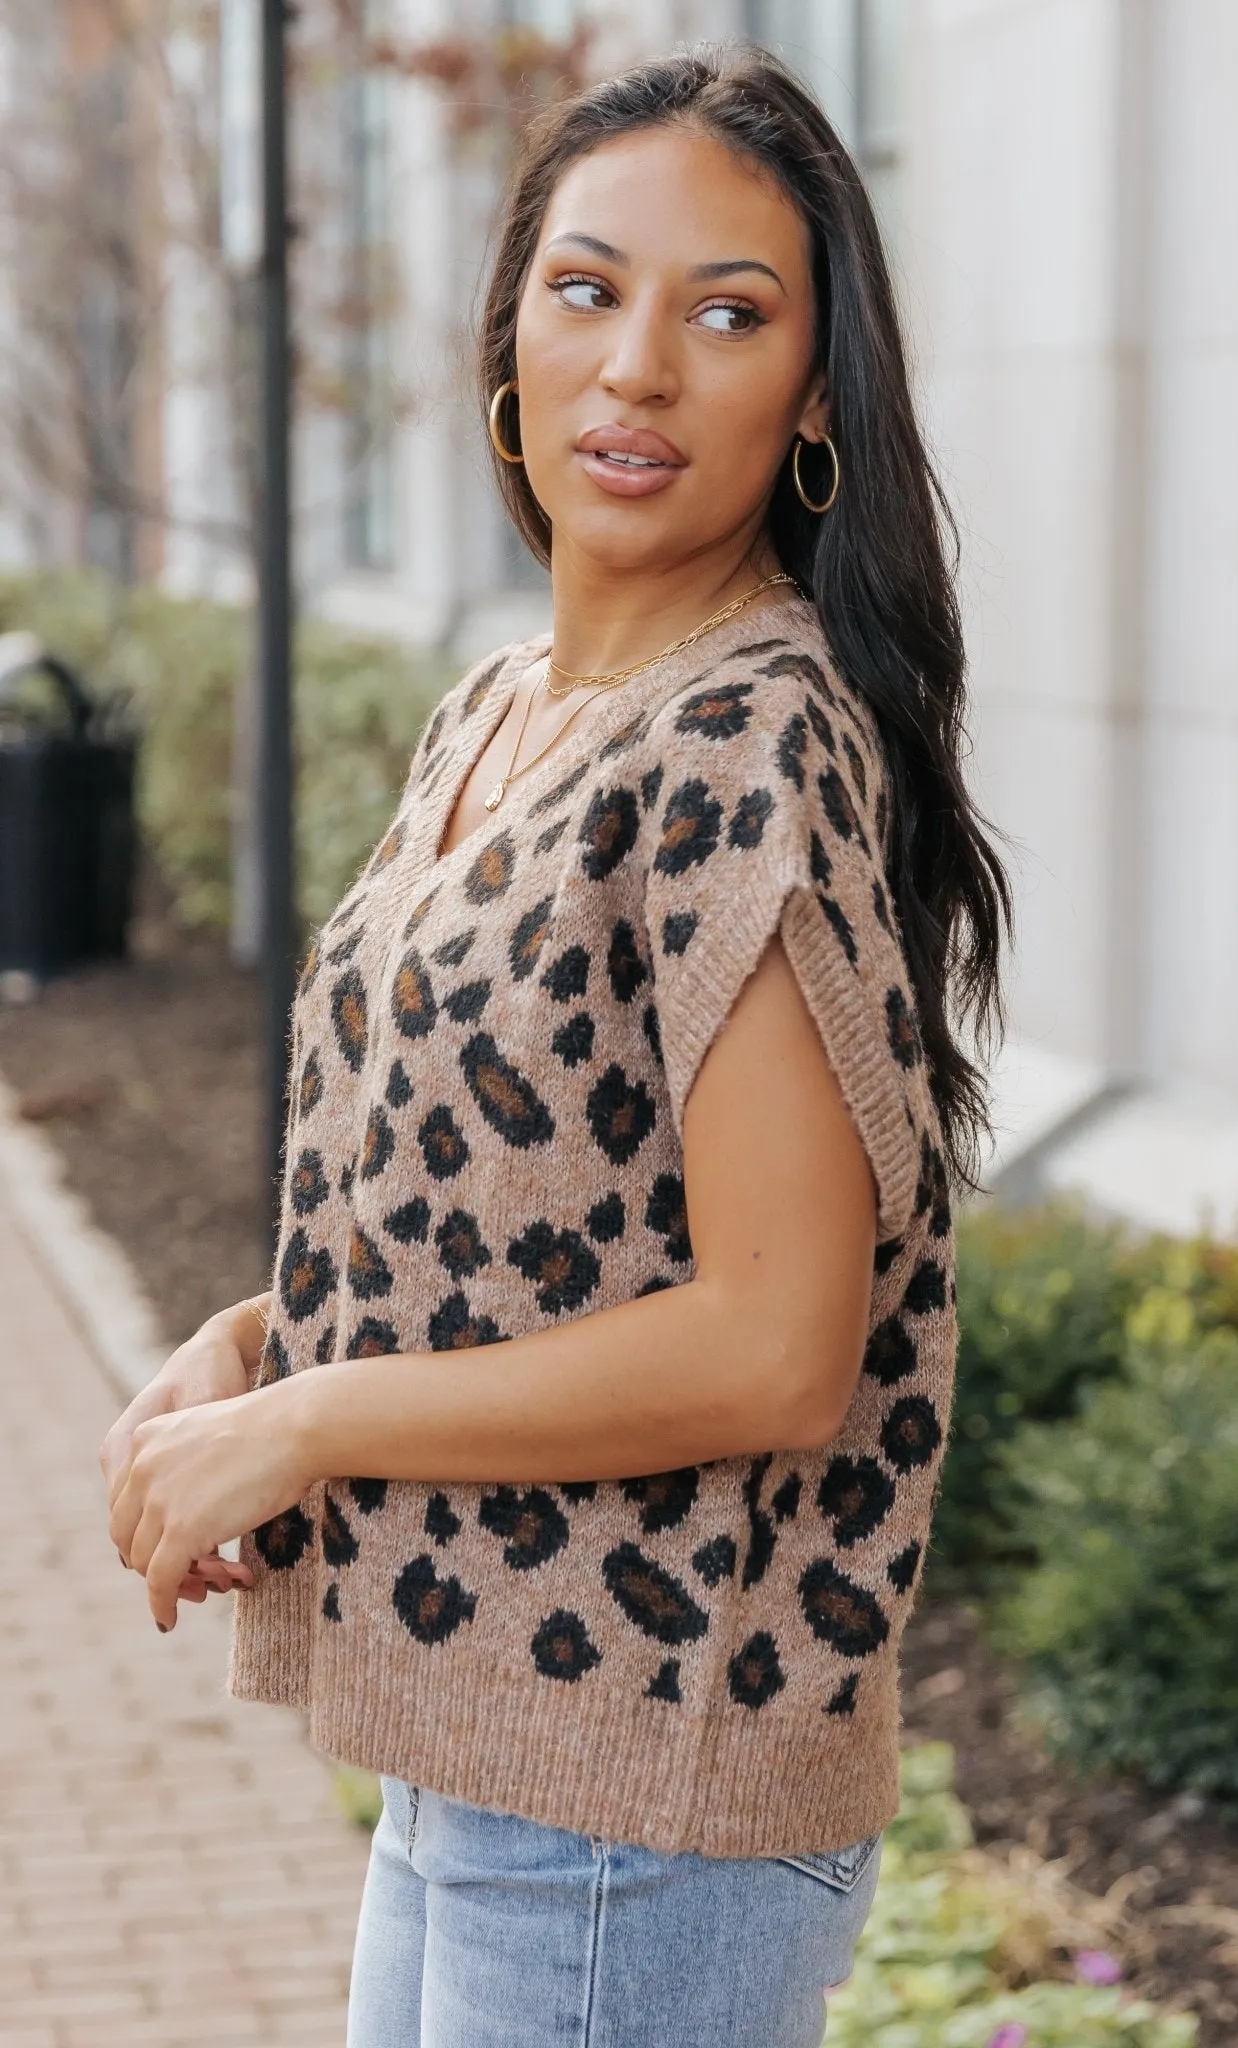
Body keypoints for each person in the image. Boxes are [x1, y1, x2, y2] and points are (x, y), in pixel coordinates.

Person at [101, 44, 1009, 2048]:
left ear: (815, 402)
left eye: (729, 313)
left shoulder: (745, 742)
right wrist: (269, 1345)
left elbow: (778, 1340)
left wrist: (316, 1425)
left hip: (642, 1787)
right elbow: (534, 1210)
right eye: (589, 290)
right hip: (505, 1742)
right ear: (505, 339)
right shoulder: (509, 703)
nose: (641, 369)